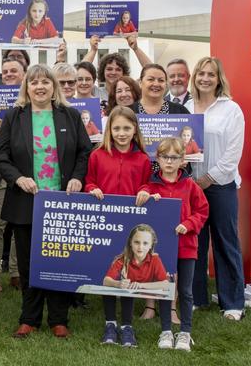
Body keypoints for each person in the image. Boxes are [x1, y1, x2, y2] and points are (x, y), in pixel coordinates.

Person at [0, 63, 92, 339]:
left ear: (53, 87)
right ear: (27, 87)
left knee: (60, 259)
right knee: (28, 262)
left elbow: (85, 152)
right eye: (34, 82)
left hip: (62, 200)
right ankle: (30, 317)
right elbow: (1, 156)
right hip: (26, 200)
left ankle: (59, 318)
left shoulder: (69, 116)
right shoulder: (15, 116)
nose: (39, 87)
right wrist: (17, 178)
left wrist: (77, 177)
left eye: (45, 82)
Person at [86, 106, 153, 346]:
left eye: (127, 128)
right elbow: (90, 181)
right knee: (109, 272)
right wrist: (92, 189)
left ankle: (126, 325)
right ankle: (109, 324)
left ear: (135, 129)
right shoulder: (98, 155)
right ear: (109, 130)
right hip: (104, 223)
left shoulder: (143, 158)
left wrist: (145, 190)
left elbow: (148, 184)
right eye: (117, 128)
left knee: (127, 273)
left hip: (130, 224)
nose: (122, 133)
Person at [189, 56, 246, 321]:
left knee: (225, 243)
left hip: (220, 186)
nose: (205, 79)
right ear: (195, 77)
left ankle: (232, 303)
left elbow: (233, 153)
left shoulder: (231, 109)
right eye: (201, 73)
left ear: (218, 78)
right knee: (195, 245)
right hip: (191, 186)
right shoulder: (186, 107)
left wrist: (209, 178)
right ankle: (197, 298)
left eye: (210, 74)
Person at [139, 137, 209, 352]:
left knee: (185, 291)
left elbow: (203, 211)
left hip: (186, 247)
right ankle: (166, 331)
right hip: (161, 250)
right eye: (165, 157)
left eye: (174, 157)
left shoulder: (190, 185)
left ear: (183, 161)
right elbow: (140, 210)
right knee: (164, 289)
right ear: (157, 159)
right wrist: (149, 199)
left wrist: (188, 224)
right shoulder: (150, 186)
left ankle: (185, 333)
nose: (169, 161)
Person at [0, 57, 25, 294]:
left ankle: (17, 272)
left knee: (19, 225)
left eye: (14, 71)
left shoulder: (30, 104)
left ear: (23, 75)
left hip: (24, 173)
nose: (9, 74)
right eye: (5, 71)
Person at [100, 224, 168, 348]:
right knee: (113, 288)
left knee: (130, 289)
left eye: (145, 243)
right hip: (128, 291)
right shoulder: (123, 259)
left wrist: (141, 285)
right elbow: (106, 280)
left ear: (151, 245)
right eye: (136, 242)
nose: (140, 247)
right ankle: (111, 325)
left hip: (143, 289)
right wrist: (118, 283)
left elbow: (165, 284)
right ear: (130, 243)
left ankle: (127, 328)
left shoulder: (155, 260)